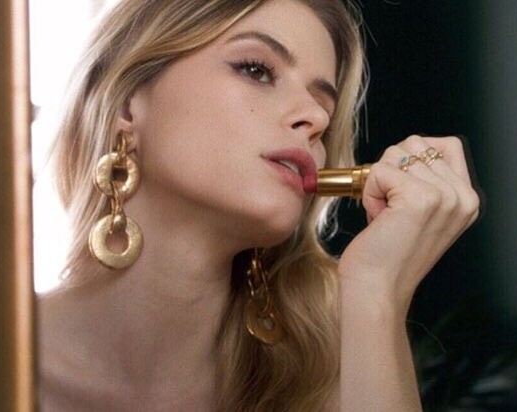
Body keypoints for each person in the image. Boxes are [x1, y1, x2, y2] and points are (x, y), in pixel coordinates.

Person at [38, 0, 480, 410]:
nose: (316, 118)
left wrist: (375, 290)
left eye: (324, 107)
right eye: (257, 70)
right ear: (126, 105)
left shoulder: (333, 374)